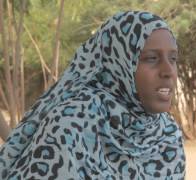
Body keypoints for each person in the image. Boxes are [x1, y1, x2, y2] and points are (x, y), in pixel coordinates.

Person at [0, 11, 185, 179]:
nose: (168, 71)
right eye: (151, 58)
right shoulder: (69, 127)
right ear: (119, 65)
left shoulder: (168, 136)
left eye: (173, 59)